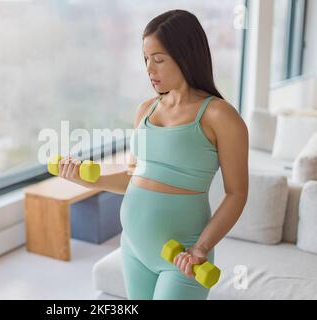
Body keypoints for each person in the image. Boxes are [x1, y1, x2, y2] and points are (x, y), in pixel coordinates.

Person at [57, 9, 249, 300]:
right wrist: (87, 179)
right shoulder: (145, 110)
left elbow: (237, 194)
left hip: (184, 257)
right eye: (146, 59)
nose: (149, 69)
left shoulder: (220, 116)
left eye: (159, 59)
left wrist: (200, 248)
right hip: (134, 247)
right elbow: (134, 177)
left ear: (185, 55)